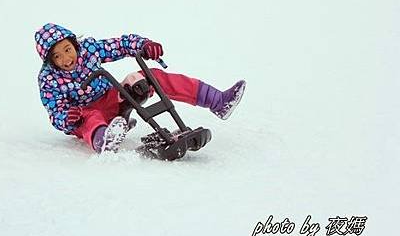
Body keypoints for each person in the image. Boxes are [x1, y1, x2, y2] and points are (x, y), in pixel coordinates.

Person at [35, 23, 246, 153]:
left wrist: (143, 45)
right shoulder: (48, 79)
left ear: (74, 43)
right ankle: (104, 140)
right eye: (57, 56)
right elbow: (55, 111)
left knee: (148, 77)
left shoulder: (89, 49)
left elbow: (118, 45)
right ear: (49, 61)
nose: (66, 58)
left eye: (67, 49)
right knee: (90, 118)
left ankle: (217, 101)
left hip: (111, 98)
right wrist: (67, 118)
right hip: (86, 113)